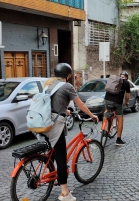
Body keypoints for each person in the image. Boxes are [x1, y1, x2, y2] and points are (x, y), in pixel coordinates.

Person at [43, 63, 98, 201]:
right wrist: (92, 116)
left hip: (42, 123)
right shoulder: (66, 86)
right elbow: (81, 104)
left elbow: (52, 104)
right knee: (61, 157)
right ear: (68, 75)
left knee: (54, 152)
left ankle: (55, 175)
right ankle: (65, 193)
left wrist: (66, 111)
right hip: (55, 125)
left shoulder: (48, 84)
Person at [103, 71, 130, 145]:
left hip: (107, 99)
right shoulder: (126, 83)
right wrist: (126, 102)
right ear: (126, 77)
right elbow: (127, 96)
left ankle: (104, 129)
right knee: (120, 119)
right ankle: (118, 140)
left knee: (106, 113)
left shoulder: (113, 79)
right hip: (118, 102)